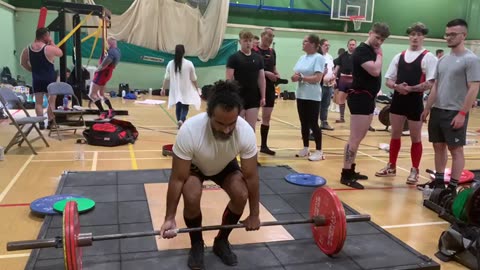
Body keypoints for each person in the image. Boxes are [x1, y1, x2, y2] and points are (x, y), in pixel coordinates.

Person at [160, 80, 261, 269]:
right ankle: (196, 243)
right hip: (196, 165)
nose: (226, 129)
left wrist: (254, 214)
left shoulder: (245, 131)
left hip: (224, 164)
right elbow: (177, 178)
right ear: (209, 115)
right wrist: (169, 217)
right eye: (220, 123)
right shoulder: (190, 130)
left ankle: (221, 241)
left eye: (231, 123)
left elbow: (251, 176)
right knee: (191, 194)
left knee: (241, 194)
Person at [421, 19, 480, 193]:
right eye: (447, 34)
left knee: (455, 149)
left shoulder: (471, 60)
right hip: (438, 110)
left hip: (455, 112)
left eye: (453, 34)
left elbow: (474, 88)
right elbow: (436, 86)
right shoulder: (443, 59)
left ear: (464, 35)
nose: (448, 37)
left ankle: (452, 187)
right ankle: (439, 183)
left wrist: (462, 113)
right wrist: (427, 108)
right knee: (438, 147)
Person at [375, 22, 437, 185]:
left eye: (418, 34)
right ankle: (391, 166)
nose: (415, 37)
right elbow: (388, 80)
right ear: (409, 36)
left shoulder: (428, 57)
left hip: (415, 101)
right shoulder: (399, 56)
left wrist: (410, 89)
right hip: (398, 100)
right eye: (412, 34)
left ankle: (415, 170)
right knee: (395, 134)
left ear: (423, 37)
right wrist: (397, 87)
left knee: (415, 138)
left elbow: (430, 83)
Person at [340, 23, 391, 189]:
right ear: (370, 33)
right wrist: (381, 55)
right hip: (359, 98)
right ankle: (345, 174)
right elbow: (375, 71)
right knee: (354, 138)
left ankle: (351, 169)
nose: (379, 42)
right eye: (377, 37)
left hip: (368, 98)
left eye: (382, 40)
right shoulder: (362, 50)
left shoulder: (371, 51)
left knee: (359, 137)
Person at [20, 27, 63, 130]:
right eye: (48, 35)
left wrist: (32, 70)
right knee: (51, 101)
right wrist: (51, 42)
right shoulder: (48, 48)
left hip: (37, 79)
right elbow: (60, 53)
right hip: (49, 79)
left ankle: (41, 124)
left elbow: (23, 63)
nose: (49, 37)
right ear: (45, 36)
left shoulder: (27, 49)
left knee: (38, 102)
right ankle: (50, 122)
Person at [291, 34, 325, 161]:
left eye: (305, 42)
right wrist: (295, 77)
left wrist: (301, 78)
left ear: (313, 44)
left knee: (313, 123)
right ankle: (305, 148)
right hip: (301, 94)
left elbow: (317, 78)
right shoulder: (302, 57)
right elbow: (297, 72)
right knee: (303, 122)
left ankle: (319, 150)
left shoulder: (319, 58)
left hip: (313, 96)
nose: (303, 43)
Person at [226, 30, 266, 131]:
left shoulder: (258, 58)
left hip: (253, 97)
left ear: (253, 42)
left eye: (250, 40)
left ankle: (249, 147)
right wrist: (229, 96)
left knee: (250, 129)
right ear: (240, 42)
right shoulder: (234, 58)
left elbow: (261, 78)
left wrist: (263, 96)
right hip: (239, 96)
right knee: (236, 128)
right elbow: (229, 79)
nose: (248, 43)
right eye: (245, 41)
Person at [253, 30, 281, 155]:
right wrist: (266, 73)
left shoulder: (272, 52)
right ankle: (250, 147)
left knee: (267, 117)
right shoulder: (254, 51)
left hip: (269, 87)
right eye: (269, 35)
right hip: (255, 87)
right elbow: (251, 70)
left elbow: (273, 67)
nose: (270, 38)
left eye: (272, 36)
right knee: (252, 119)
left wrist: (276, 74)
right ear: (262, 35)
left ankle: (264, 146)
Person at [162, 44, 201, 128]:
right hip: (186, 88)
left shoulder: (170, 64)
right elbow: (193, 78)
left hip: (175, 89)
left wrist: (163, 88)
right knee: (185, 106)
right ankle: (181, 120)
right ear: (184, 52)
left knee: (178, 106)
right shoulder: (189, 64)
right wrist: (197, 88)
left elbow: (166, 78)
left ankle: (179, 121)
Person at [89, 37, 121, 119]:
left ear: (109, 43)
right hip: (107, 74)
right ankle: (111, 109)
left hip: (102, 74)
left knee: (92, 94)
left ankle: (102, 112)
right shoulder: (118, 51)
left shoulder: (111, 52)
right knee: (101, 94)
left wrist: (97, 70)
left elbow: (104, 65)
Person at [333, 39, 356, 123]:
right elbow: (337, 68)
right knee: (341, 98)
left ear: (355, 46)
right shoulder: (342, 55)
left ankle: (355, 118)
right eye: (350, 44)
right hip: (343, 79)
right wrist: (334, 77)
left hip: (354, 80)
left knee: (354, 100)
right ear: (347, 45)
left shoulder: (358, 56)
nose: (351, 46)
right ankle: (342, 117)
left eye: (353, 44)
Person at [318, 38, 335, 131]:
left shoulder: (330, 57)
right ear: (320, 46)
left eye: (329, 45)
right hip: (320, 84)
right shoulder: (318, 57)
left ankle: (324, 122)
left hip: (329, 84)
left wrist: (333, 77)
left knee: (326, 104)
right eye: (325, 45)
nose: (327, 47)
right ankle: (314, 124)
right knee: (318, 104)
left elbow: (332, 69)